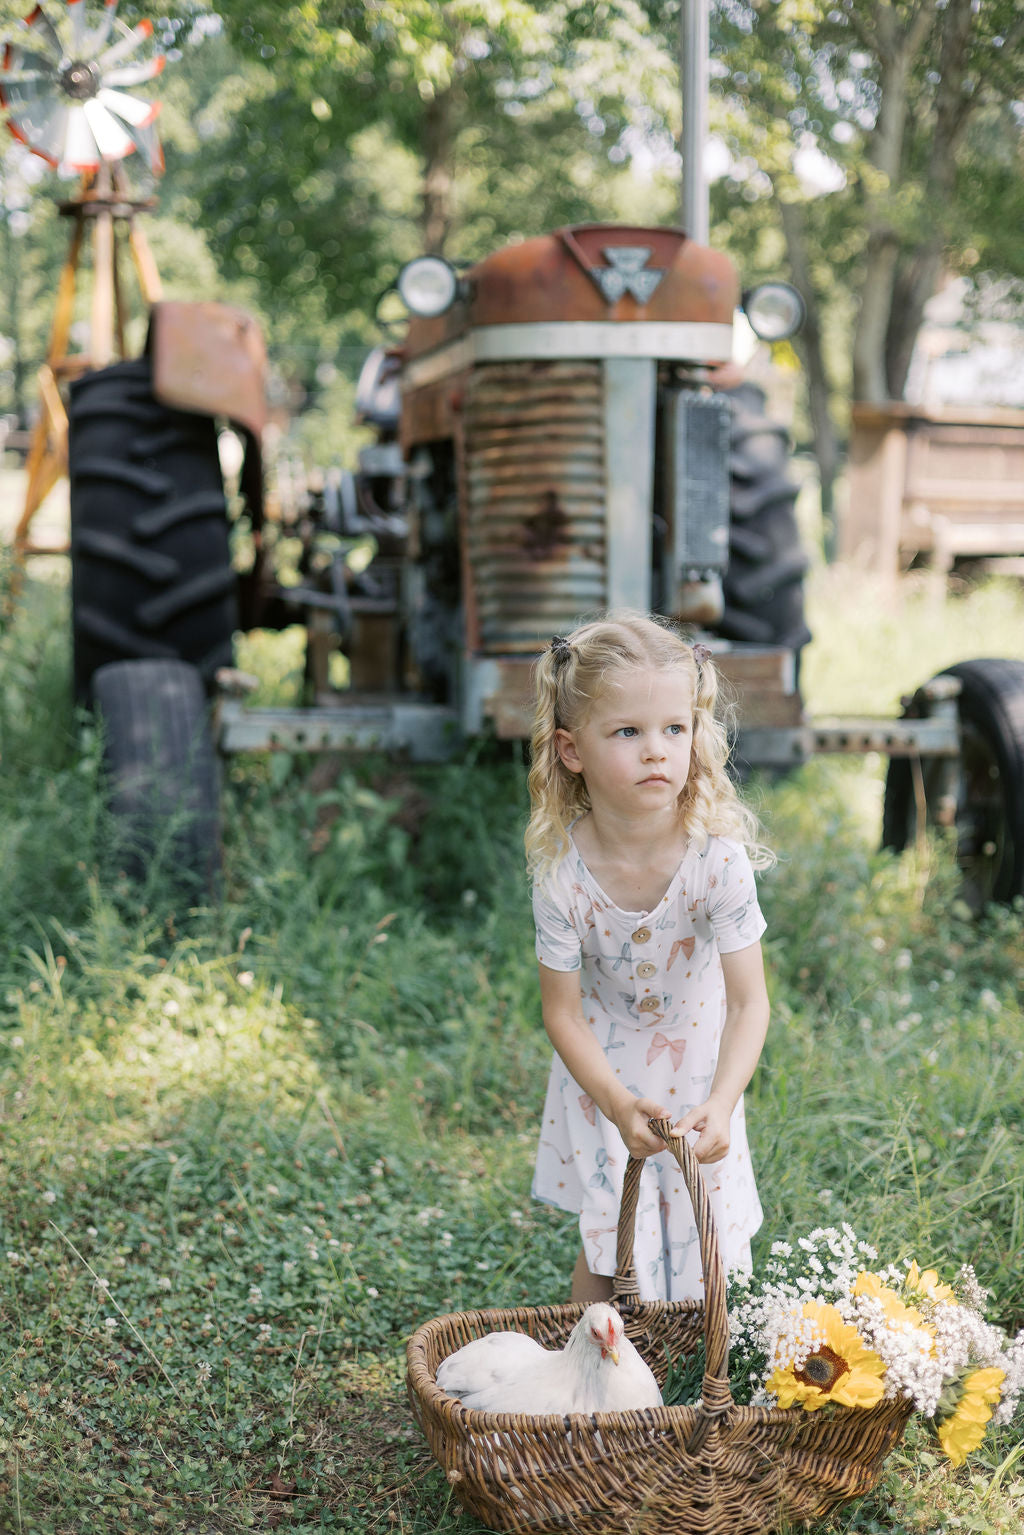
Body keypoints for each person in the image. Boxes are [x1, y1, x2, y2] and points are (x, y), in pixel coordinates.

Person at [525, 612, 772, 1304]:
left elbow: (750, 1002)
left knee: (705, 1231)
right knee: (609, 1236)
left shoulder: (716, 864)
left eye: (674, 728)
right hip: (603, 1069)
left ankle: (702, 1374)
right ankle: (584, 1391)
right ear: (572, 750)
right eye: (627, 731)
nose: (657, 751)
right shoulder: (564, 878)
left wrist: (722, 1102)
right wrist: (614, 1101)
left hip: (697, 1060)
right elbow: (562, 1013)